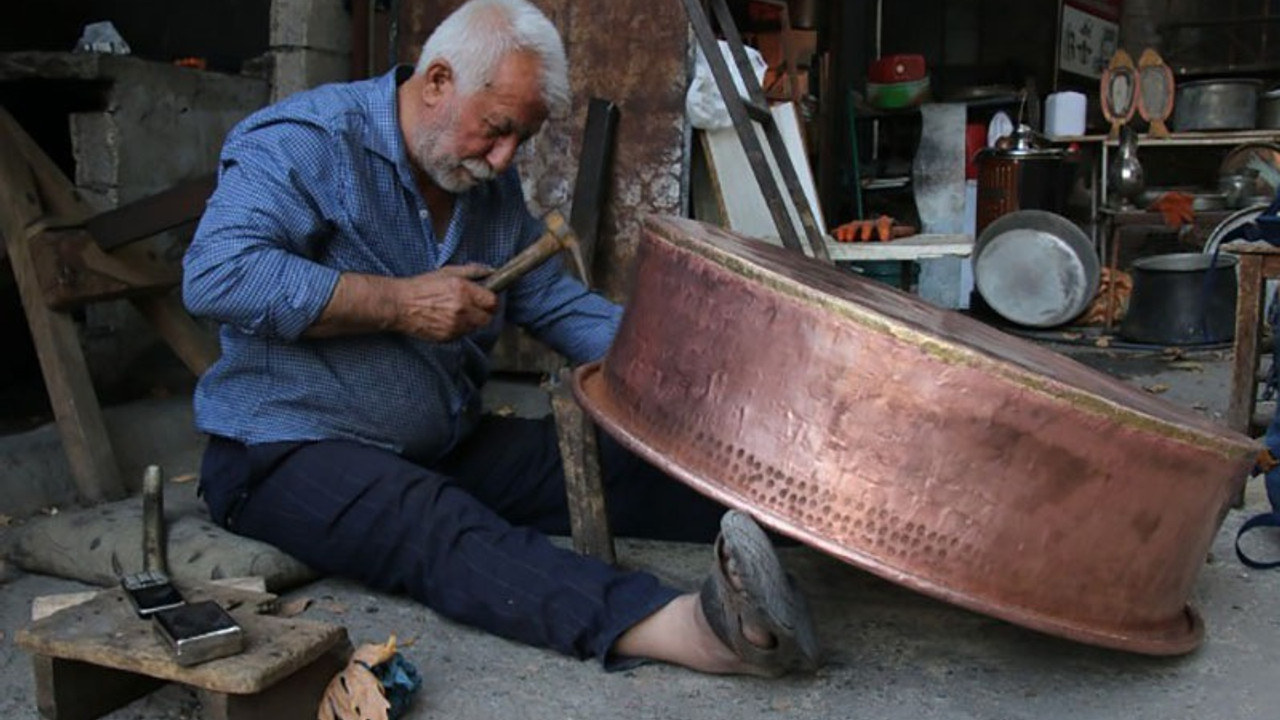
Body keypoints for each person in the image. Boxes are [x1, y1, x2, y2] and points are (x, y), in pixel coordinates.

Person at [183, 0, 818, 676]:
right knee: (438, 525)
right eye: (495, 130)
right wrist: (399, 304)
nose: (504, 157)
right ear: (437, 82)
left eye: (522, 139)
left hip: (444, 444)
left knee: (633, 463)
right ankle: (693, 630)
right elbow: (218, 275)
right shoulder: (306, 142)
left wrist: (684, 376)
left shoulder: (485, 185)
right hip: (284, 451)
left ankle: (824, 523)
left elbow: (551, 302)